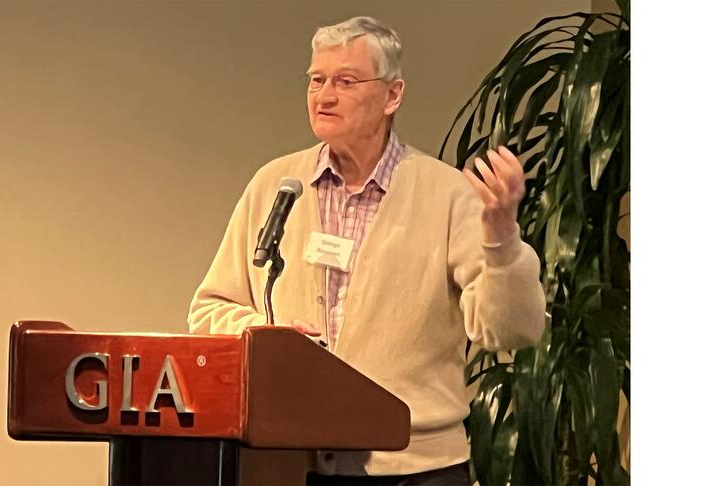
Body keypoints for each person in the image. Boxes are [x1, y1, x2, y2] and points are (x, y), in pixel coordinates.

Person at [188, 16, 545, 486]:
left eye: (346, 81)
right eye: (316, 80)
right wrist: (269, 334)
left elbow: (510, 330)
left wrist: (501, 241)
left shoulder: (448, 194)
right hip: (290, 463)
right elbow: (210, 309)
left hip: (414, 469)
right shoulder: (275, 185)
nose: (324, 95)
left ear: (392, 95)